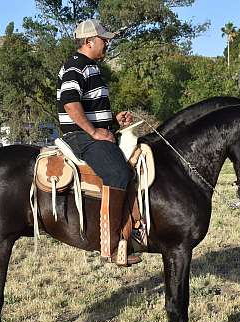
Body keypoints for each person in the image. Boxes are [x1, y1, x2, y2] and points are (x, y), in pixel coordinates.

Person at [57, 19, 141, 266]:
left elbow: (89, 108)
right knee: (118, 172)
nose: (108, 44)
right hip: (80, 136)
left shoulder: (92, 68)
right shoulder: (75, 67)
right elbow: (71, 105)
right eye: (104, 40)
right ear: (89, 41)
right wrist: (94, 132)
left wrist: (113, 122)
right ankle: (111, 246)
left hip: (92, 132)